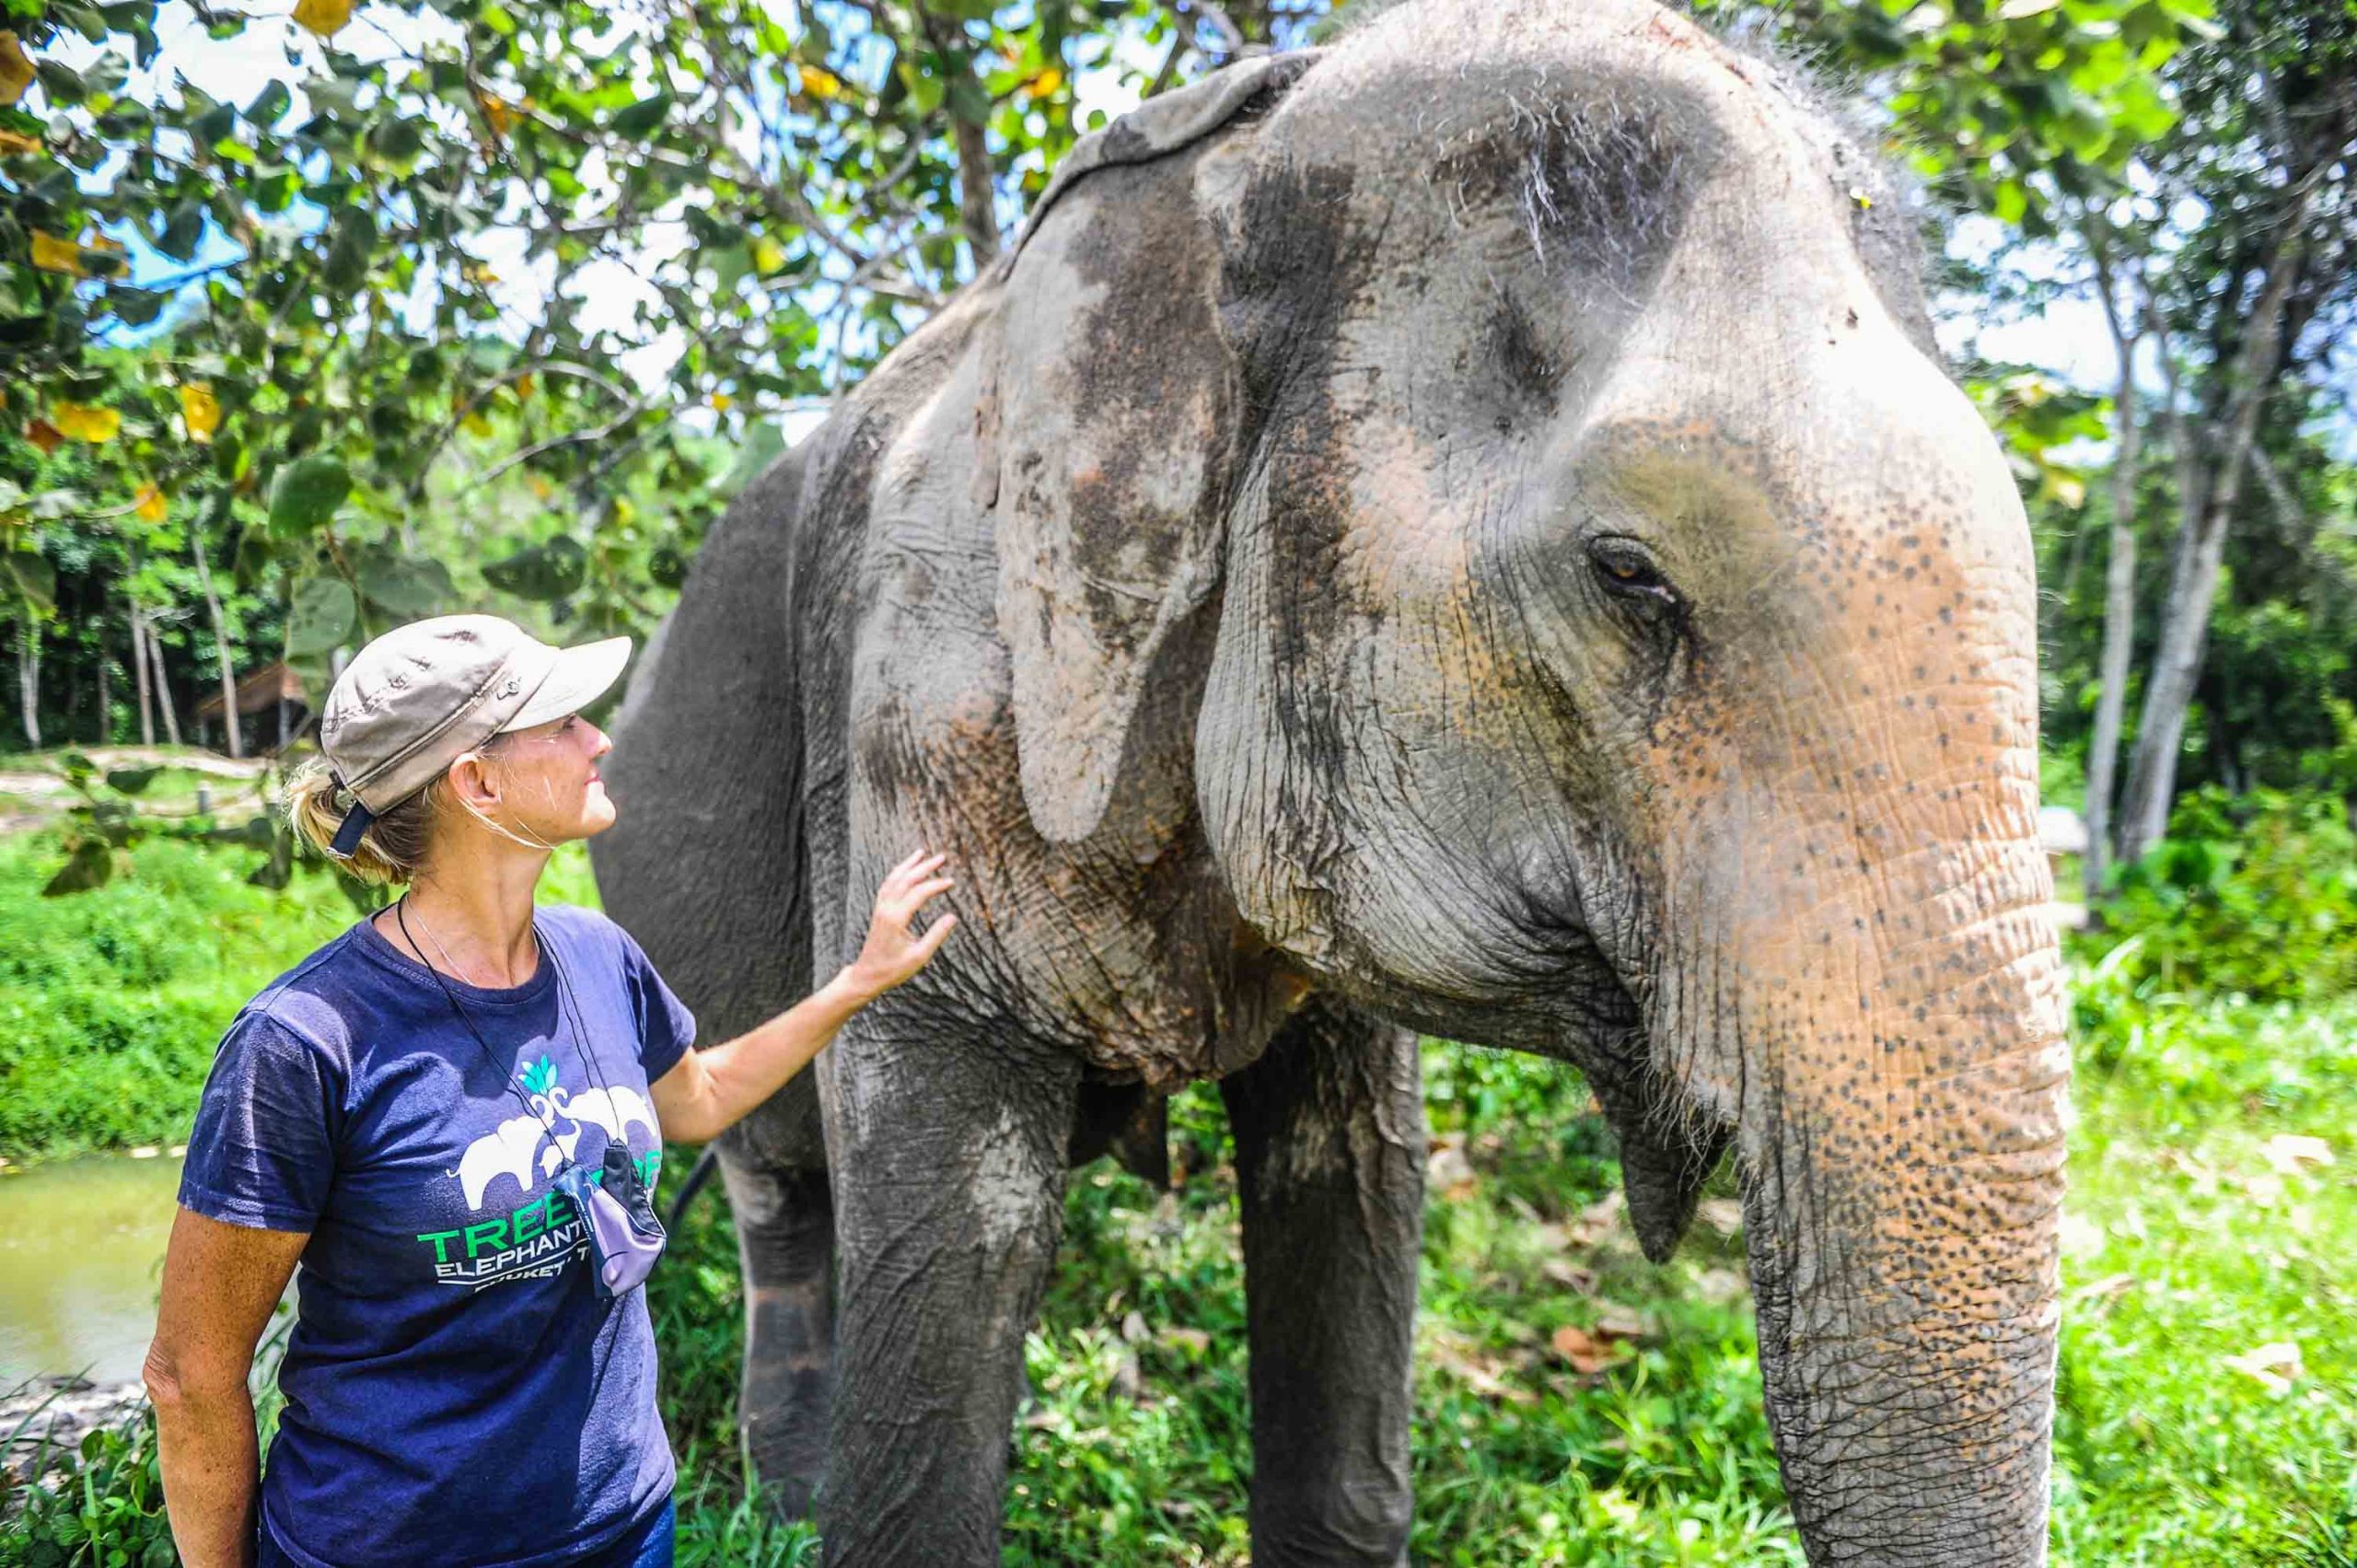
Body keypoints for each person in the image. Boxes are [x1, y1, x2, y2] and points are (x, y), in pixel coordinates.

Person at [144, 614, 958, 1568]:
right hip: (391, 1544)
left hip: (620, 1525)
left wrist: (856, 981)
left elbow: (696, 1099)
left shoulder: (596, 953)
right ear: (477, 782)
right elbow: (189, 1374)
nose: (597, 738)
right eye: (562, 719)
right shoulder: (301, 1044)